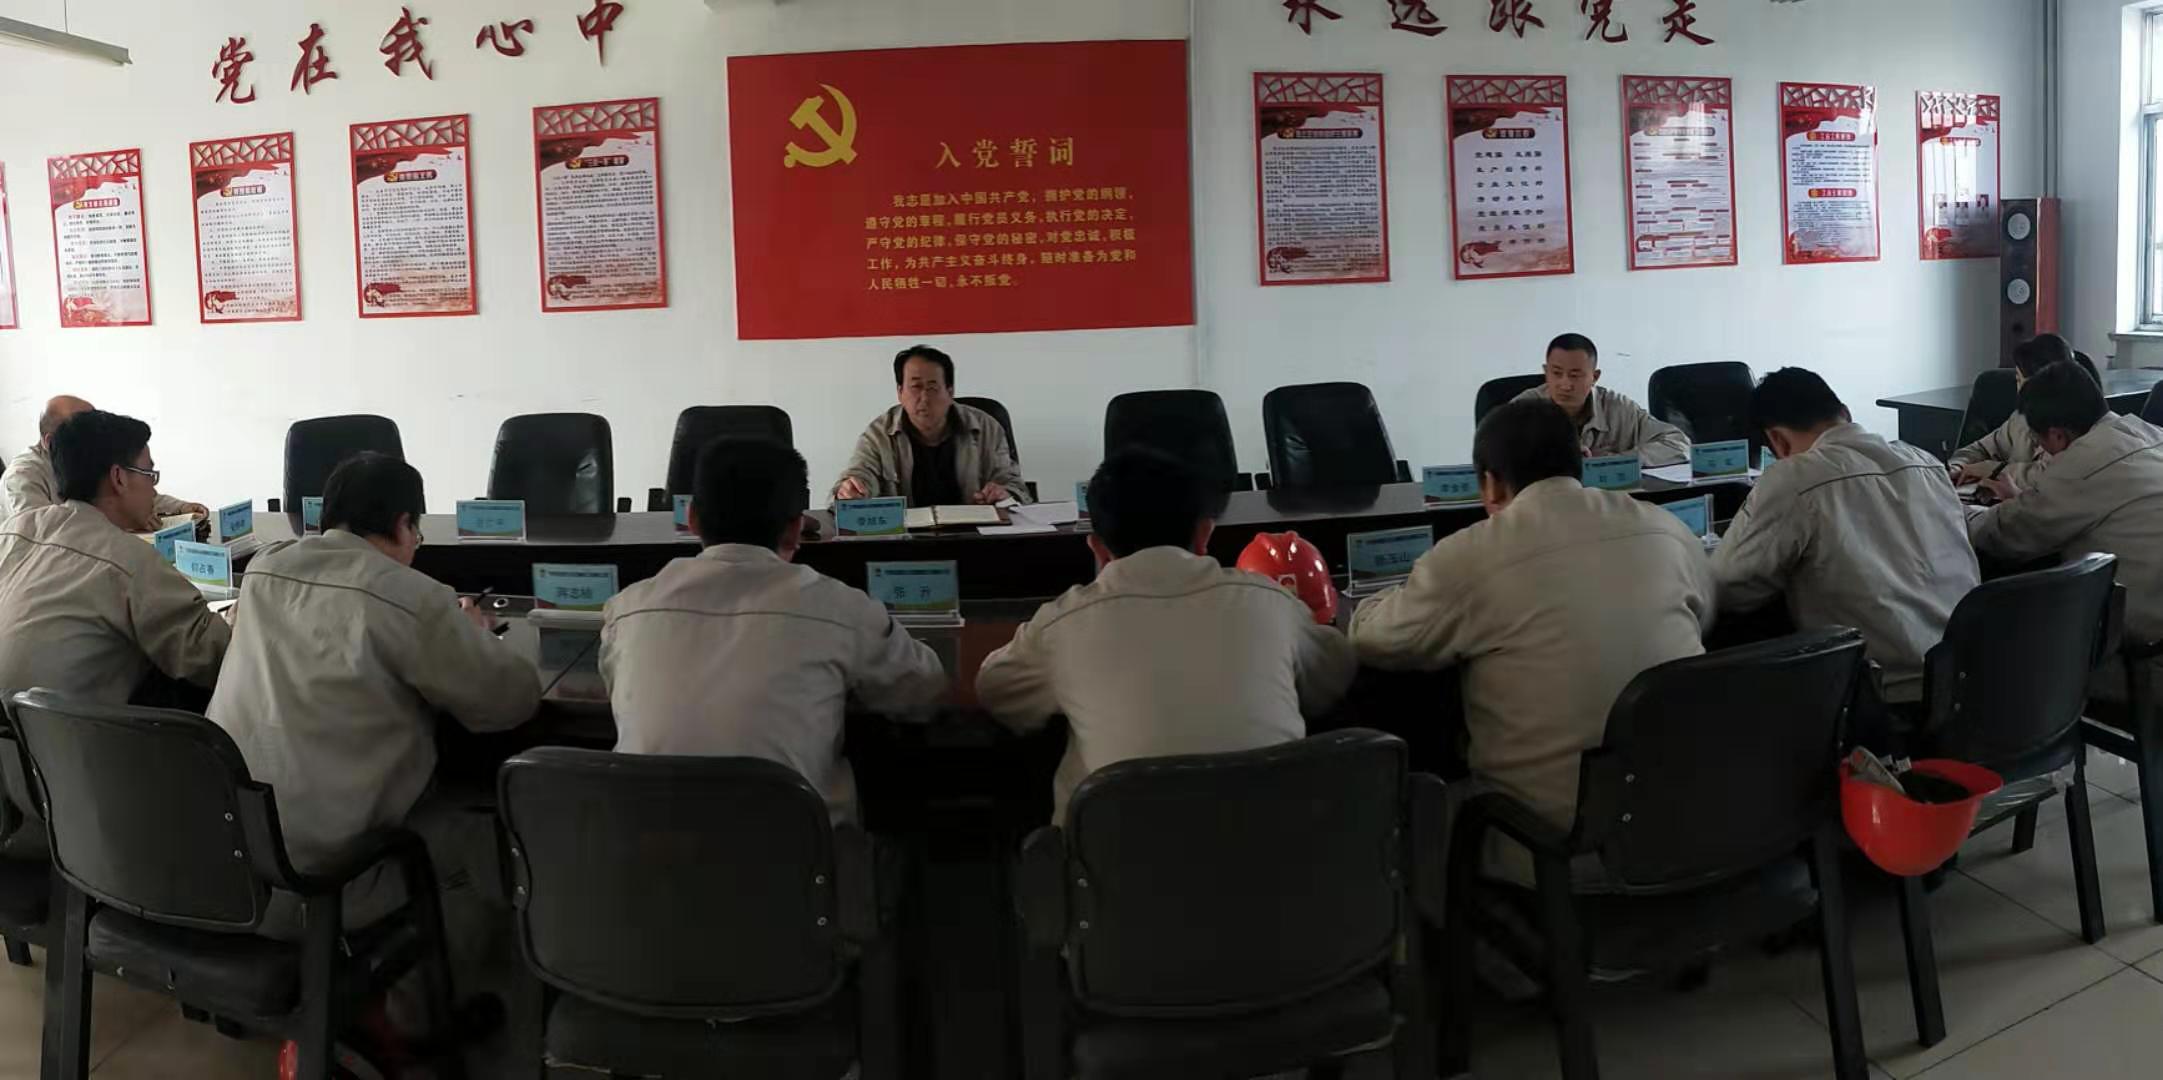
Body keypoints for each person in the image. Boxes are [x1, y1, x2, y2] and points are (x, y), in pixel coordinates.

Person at [1348, 399, 1714, 878]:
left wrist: (1369, 604)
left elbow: (1375, 641)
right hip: (1691, 819)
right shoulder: (1665, 528)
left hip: (1553, 849)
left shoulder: (1470, 557)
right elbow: (1705, 612)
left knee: (1422, 803)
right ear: (1580, 461)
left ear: (1490, 483)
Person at [207, 452, 541, 938]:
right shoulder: (410, 596)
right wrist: (476, 634)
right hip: (328, 869)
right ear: (404, 523)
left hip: (231, 845)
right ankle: (429, 974)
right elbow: (511, 701)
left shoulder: (265, 566)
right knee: (472, 823)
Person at [977, 450, 1356, 823]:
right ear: (1205, 533)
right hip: (1285, 851)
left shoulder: (1063, 625)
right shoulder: (1271, 602)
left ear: (1098, 549)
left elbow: (997, 692)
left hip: (1118, 859)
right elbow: (1334, 675)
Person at [604, 438, 947, 821]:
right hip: (796, 855)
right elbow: (923, 691)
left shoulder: (626, 610)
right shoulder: (841, 609)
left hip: (641, 851)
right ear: (796, 529)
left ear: (692, 518)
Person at [1713, 368, 1977, 710]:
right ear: (1845, 413)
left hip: (1882, 698)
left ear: (1777, 440)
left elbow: (1729, 587)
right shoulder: (1925, 462)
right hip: (1967, 680)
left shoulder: (1794, 477)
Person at [0, 410, 228, 705]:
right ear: (119, 478)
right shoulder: (129, 560)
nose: (154, 489)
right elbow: (210, 655)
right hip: (88, 730)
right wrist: (243, 612)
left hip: (16, 724)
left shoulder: (13, 530)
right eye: (150, 475)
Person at [1969, 361, 2163, 673]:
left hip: (2141, 643)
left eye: (2039, 441)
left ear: (2057, 436)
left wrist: (1954, 510)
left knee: (1994, 623)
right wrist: (2027, 501)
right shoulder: (2146, 432)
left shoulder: (2083, 463)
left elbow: (2003, 534)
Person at [831, 345, 1031, 506]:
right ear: (900, 392)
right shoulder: (879, 434)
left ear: (950, 391)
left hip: (975, 534)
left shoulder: (987, 428)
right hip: (905, 537)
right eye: (915, 387)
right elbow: (861, 473)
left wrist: (1004, 493)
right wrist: (850, 490)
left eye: (933, 388)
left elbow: (1014, 485)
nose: (924, 398)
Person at [5, 395, 208, 524]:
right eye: (85, 431)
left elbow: (128, 488)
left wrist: (179, 508)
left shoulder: (89, 457)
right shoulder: (22, 475)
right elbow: (43, 533)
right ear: (51, 442)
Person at [1948, 334, 2101, 497]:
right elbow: (1981, 449)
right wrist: (1957, 467)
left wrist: (1993, 469)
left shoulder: (2079, 429)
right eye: (2018, 381)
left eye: (2025, 383)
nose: (2022, 390)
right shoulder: (2021, 419)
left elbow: (2051, 476)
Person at [1509, 332, 1690, 466]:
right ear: (1546, 372)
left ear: (1594, 377)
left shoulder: (1619, 408)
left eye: (1575, 375)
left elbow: (1678, 444)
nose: (1565, 384)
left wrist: (1614, 461)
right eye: (1556, 373)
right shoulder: (1523, 408)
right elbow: (1498, 457)